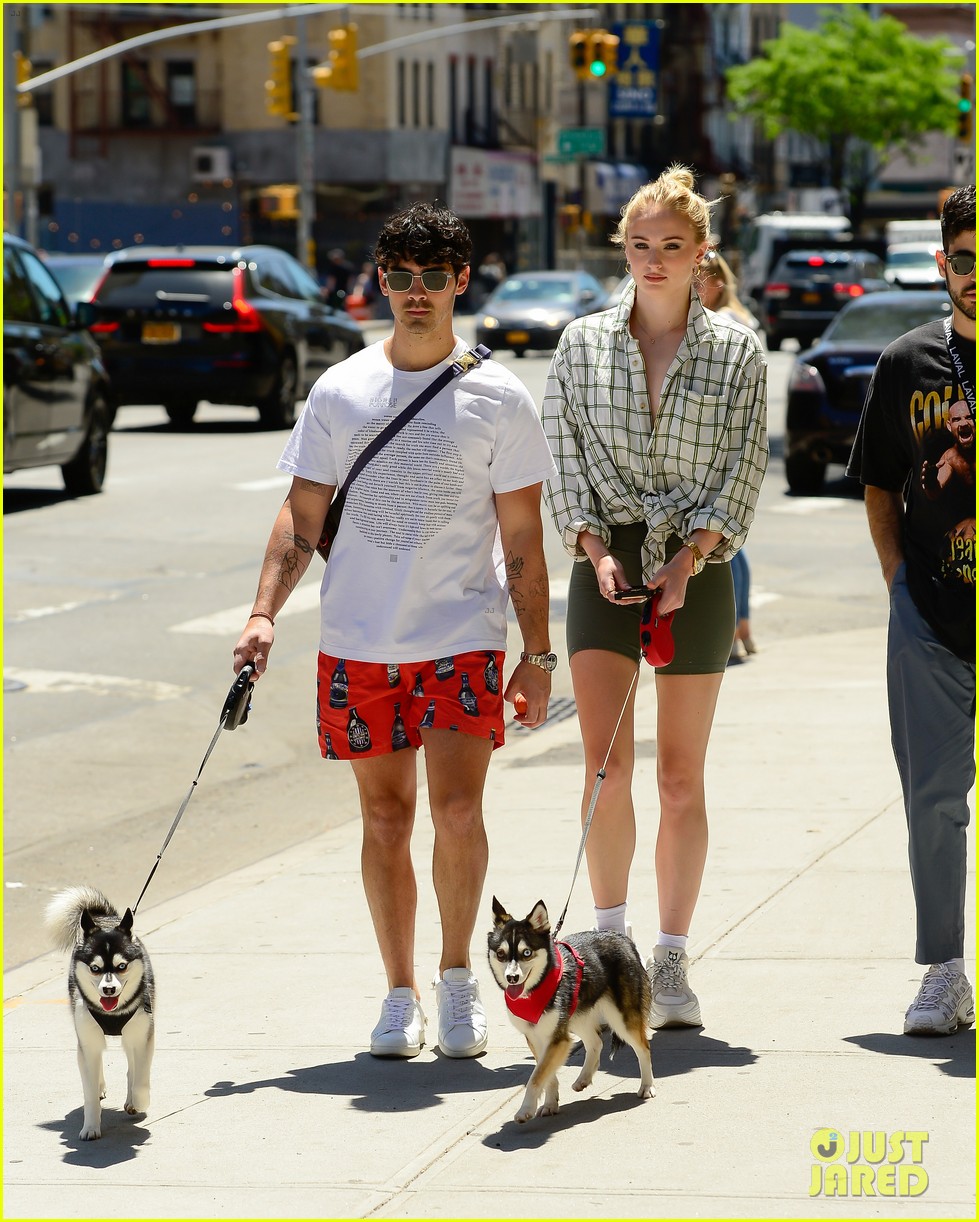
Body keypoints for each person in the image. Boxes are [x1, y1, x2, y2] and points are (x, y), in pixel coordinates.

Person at [233, 202, 557, 1060]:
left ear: (460, 282)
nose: (417, 295)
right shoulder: (340, 390)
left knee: (455, 810)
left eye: (434, 279)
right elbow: (302, 517)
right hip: (359, 643)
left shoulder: (499, 396)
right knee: (384, 820)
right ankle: (398, 992)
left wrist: (537, 655)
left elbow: (523, 541)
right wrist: (264, 613)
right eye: (401, 278)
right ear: (382, 281)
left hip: (460, 637)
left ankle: (457, 982)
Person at [542, 164, 768, 1029]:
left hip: (697, 568)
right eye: (639, 246)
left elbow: (742, 468)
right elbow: (563, 464)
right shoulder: (580, 343)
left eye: (672, 247)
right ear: (622, 249)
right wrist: (597, 554)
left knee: (679, 777)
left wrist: (689, 561)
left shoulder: (736, 352)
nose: (654, 260)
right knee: (606, 769)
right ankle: (610, 950)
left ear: (700, 254)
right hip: (603, 561)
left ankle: (670, 961)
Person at [846, 183, 976, 1037]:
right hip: (931, 615)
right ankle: (944, 972)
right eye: (963, 261)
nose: (976, 278)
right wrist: (897, 581)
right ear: (942, 264)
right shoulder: (905, 363)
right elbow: (876, 482)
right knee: (933, 798)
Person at [696, 250, 760, 663]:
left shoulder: (732, 326)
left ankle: (736, 629)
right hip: (729, 441)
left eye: (700, 280)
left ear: (717, 283)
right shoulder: (743, 320)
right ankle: (743, 627)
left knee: (724, 544)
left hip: (721, 444)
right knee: (731, 543)